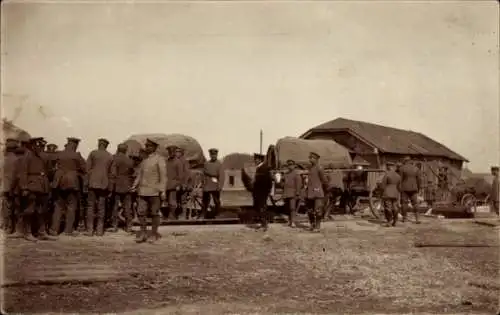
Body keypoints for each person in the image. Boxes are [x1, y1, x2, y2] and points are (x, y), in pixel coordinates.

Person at [17, 137, 57, 241]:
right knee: (29, 210)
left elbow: (49, 172)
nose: (39, 147)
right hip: (31, 185)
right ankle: (27, 233)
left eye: (41, 145)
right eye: (37, 145)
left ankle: (42, 232)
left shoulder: (44, 156)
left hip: (42, 186)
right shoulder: (27, 156)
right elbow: (23, 173)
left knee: (42, 210)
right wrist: (24, 187)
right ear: (33, 146)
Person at [131, 139, 167, 243]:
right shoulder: (144, 161)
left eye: (149, 146)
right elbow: (139, 175)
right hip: (142, 191)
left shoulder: (159, 159)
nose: (147, 148)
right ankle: (143, 233)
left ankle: (154, 234)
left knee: (154, 213)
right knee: (141, 213)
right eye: (146, 146)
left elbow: (163, 176)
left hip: (154, 192)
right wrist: (134, 185)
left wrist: (163, 190)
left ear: (155, 148)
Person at [49, 137, 87, 236]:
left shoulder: (59, 153)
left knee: (58, 206)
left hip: (59, 181)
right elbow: (84, 168)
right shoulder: (76, 155)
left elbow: (51, 165)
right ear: (75, 145)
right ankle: (68, 230)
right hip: (72, 182)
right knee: (71, 206)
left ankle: (54, 229)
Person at [84, 138, 113, 236]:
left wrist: (86, 183)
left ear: (99, 144)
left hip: (92, 183)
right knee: (101, 207)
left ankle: (89, 230)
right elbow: (112, 174)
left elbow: (87, 170)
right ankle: (100, 230)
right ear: (106, 146)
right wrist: (110, 187)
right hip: (104, 184)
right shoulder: (110, 156)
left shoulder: (93, 153)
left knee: (90, 206)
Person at [109, 143, 135, 232]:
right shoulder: (129, 160)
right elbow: (132, 172)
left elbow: (112, 173)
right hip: (127, 185)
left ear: (118, 149)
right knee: (127, 207)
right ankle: (129, 226)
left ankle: (115, 226)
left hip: (116, 185)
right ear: (125, 150)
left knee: (115, 206)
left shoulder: (113, 158)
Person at [305, 152, 328, 232]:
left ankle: (317, 226)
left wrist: (321, 189)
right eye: (310, 158)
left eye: (312, 158)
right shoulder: (310, 168)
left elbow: (324, 181)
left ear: (316, 159)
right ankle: (312, 225)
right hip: (309, 192)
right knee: (310, 210)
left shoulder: (320, 168)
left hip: (317, 192)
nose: (310, 159)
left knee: (318, 210)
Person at [1, 138, 20, 234]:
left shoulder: (3, 159)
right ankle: (10, 227)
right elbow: (15, 176)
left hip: (4, 186)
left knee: (5, 207)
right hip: (12, 187)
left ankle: (5, 226)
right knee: (13, 208)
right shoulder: (16, 160)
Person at [252, 153, 273, 231]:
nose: (255, 160)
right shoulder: (259, 168)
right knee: (259, 208)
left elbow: (268, 181)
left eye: (256, 159)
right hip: (258, 192)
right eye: (255, 159)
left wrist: (267, 191)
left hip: (262, 193)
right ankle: (262, 223)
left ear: (260, 160)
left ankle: (264, 225)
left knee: (262, 208)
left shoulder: (264, 168)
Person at [201, 148, 223, 219]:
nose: (213, 156)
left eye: (215, 155)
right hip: (207, 185)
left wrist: (220, 186)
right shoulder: (206, 164)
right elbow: (203, 174)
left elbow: (222, 176)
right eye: (212, 154)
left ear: (216, 155)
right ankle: (203, 214)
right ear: (210, 155)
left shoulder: (219, 164)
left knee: (216, 201)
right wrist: (203, 184)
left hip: (215, 185)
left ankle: (218, 214)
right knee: (205, 201)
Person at [399, 156, 422, 224]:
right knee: (415, 203)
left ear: (405, 161)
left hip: (404, 188)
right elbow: (419, 180)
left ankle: (404, 218)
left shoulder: (402, 168)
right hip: (414, 188)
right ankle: (417, 219)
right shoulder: (416, 169)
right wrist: (418, 188)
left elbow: (400, 180)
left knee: (404, 203)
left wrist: (399, 188)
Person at [380, 161, 401, 227]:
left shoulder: (387, 175)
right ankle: (395, 221)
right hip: (395, 193)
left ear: (388, 167)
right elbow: (399, 187)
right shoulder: (398, 176)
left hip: (387, 193)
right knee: (395, 207)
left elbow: (383, 186)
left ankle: (389, 221)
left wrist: (381, 192)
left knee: (388, 207)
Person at [165, 145, 183, 220]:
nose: (171, 153)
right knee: (167, 200)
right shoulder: (167, 161)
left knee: (172, 201)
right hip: (166, 184)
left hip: (174, 184)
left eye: (172, 152)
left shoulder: (178, 162)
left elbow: (180, 175)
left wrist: (178, 185)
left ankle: (172, 215)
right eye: (169, 152)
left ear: (175, 152)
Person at [282, 159, 301, 228]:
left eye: (291, 165)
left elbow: (299, 184)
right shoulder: (286, 174)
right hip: (286, 193)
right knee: (287, 208)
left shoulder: (296, 174)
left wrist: (297, 193)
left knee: (292, 208)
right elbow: (282, 182)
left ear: (294, 166)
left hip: (293, 193)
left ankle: (293, 222)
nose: (290, 166)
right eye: (289, 165)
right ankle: (289, 221)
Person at [175, 147, 191, 219]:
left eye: (178, 152)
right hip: (175, 183)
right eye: (176, 152)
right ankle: (177, 213)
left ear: (181, 153)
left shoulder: (184, 161)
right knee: (176, 199)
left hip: (182, 183)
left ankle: (183, 215)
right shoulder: (174, 161)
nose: (177, 153)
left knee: (183, 200)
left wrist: (184, 184)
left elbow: (187, 173)